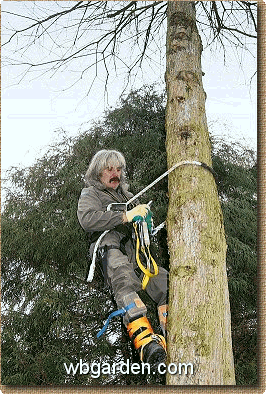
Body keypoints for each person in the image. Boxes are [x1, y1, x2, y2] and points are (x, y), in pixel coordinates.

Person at [77, 149, 168, 366]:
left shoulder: (129, 197)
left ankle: (172, 333)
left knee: (166, 285)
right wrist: (125, 216)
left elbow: (140, 222)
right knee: (124, 284)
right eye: (109, 169)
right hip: (111, 250)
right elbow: (87, 220)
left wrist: (146, 222)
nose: (115, 173)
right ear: (98, 172)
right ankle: (145, 342)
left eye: (118, 169)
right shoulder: (91, 194)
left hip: (137, 254)